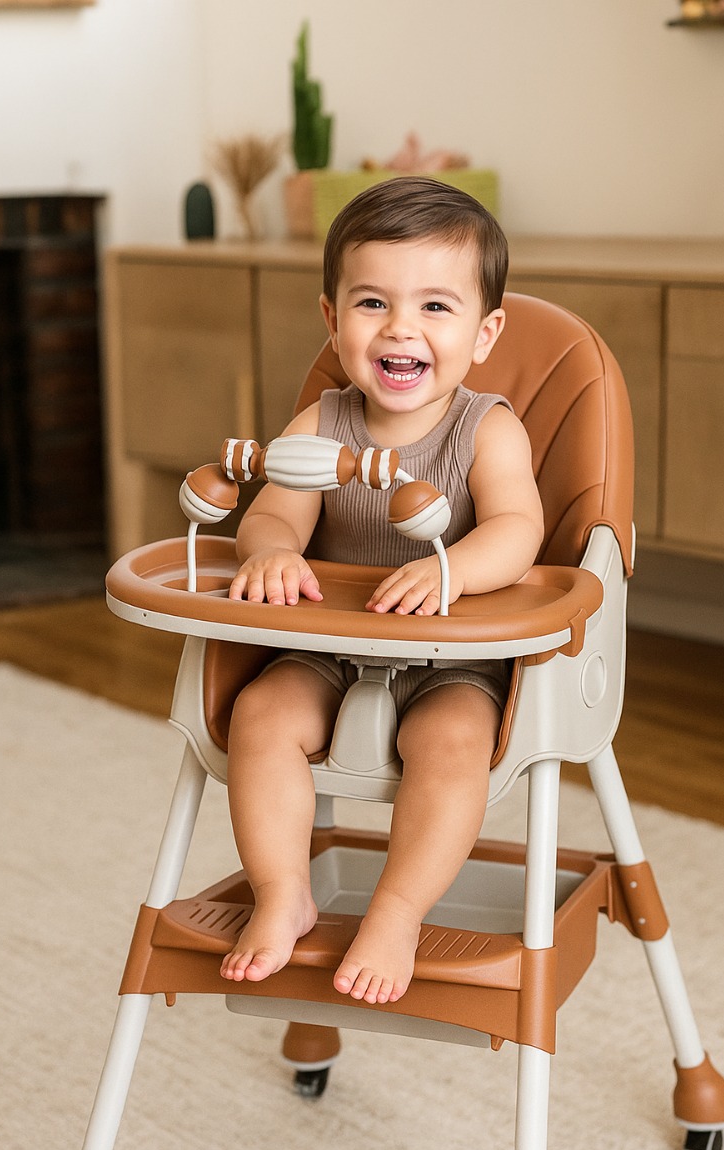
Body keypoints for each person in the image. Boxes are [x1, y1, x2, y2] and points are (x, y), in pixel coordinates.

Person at [220, 176, 544, 1004]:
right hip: (329, 645)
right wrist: (271, 554)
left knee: (451, 745)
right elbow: (272, 517)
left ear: (484, 332)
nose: (401, 327)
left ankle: (397, 910)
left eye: (436, 307)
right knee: (260, 717)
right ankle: (282, 889)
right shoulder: (317, 426)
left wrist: (452, 570)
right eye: (372, 302)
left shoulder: (486, 428)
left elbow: (517, 530)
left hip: (451, 661)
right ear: (332, 319)